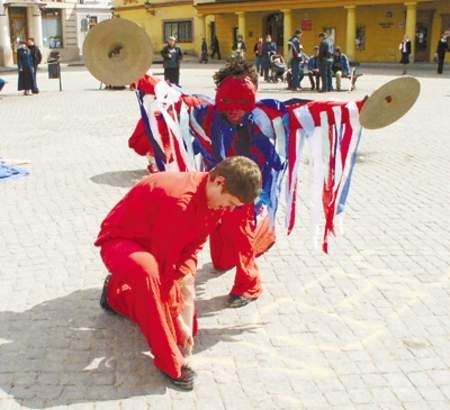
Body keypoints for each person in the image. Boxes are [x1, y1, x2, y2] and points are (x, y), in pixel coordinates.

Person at [95, 156, 262, 391]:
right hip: (122, 243)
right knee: (148, 273)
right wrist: (174, 318)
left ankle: (116, 296)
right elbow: (164, 270)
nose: (230, 209)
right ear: (219, 182)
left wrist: (184, 313)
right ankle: (168, 362)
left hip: (157, 246)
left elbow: (190, 254)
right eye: (230, 202)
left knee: (183, 330)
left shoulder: (215, 201)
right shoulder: (180, 203)